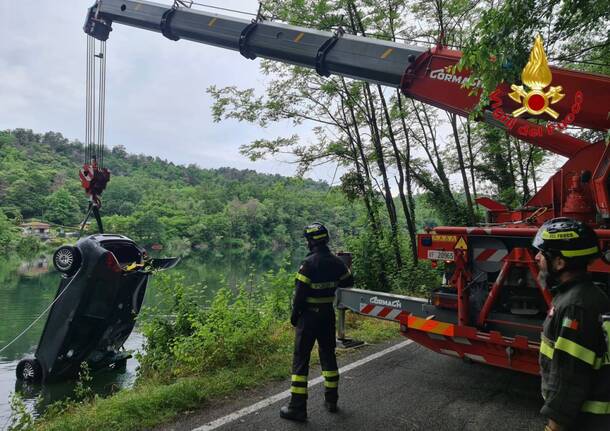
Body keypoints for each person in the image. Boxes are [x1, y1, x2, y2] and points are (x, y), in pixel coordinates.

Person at [533, 217, 610, 431]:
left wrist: (553, 428)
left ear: (560, 262)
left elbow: (570, 379)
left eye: (543, 252)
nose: (537, 257)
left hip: (584, 422)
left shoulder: (576, 307)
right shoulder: (581, 295)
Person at [279, 222, 354, 422]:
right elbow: (348, 282)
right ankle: (331, 400)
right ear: (326, 239)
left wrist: (295, 316)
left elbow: (300, 295)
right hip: (327, 316)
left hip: (309, 317)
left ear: (311, 241)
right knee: (328, 356)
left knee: (301, 359)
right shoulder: (337, 263)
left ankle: (297, 407)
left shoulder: (309, 264)